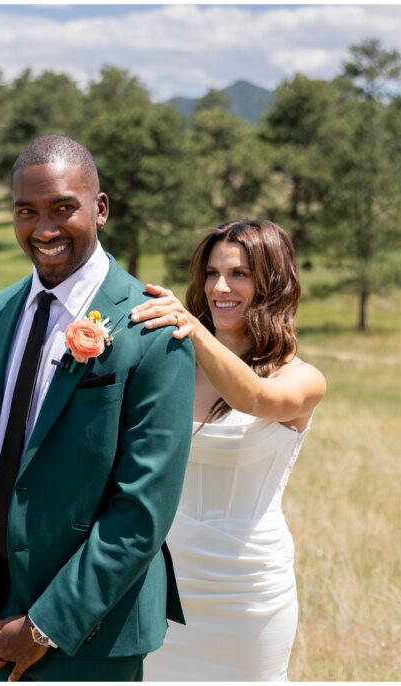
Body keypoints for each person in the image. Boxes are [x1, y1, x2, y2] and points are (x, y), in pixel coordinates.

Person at [0, 134, 195, 681]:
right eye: (26, 212)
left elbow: (141, 510)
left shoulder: (153, 329)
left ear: (100, 209)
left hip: (94, 633)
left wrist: (44, 626)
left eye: (62, 209)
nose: (44, 230)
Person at [131, 219, 327, 681]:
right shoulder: (168, 362)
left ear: (273, 283)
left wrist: (193, 331)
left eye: (240, 274)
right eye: (212, 273)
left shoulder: (301, 378)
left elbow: (254, 398)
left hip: (248, 590)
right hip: (159, 578)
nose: (221, 287)